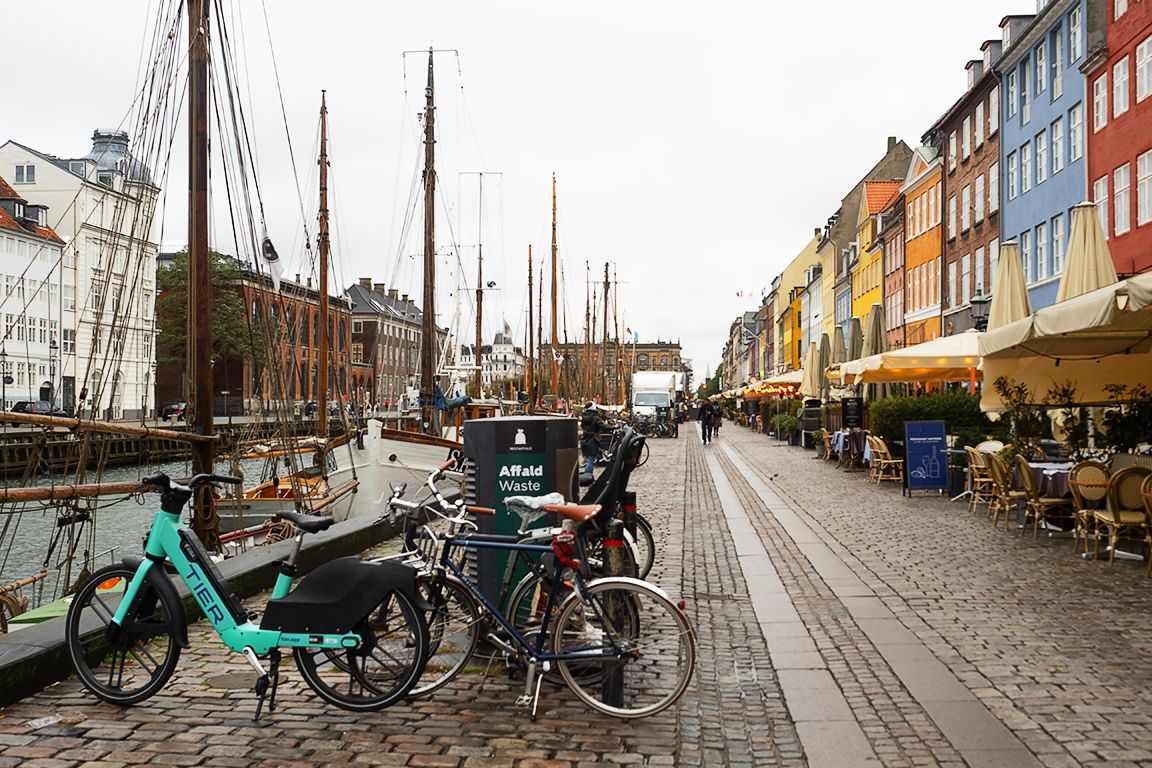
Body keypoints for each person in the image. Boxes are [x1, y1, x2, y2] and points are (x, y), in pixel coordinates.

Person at [580, 401, 605, 475]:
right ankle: (587, 476)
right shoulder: (595, 418)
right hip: (593, 440)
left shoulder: (583, 417)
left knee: (589, 460)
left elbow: (583, 426)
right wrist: (615, 426)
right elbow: (604, 427)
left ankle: (588, 476)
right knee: (591, 460)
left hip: (585, 439)